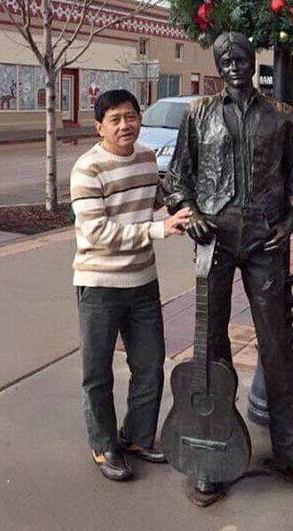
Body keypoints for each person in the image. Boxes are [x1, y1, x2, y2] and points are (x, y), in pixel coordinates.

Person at [166, 31, 293, 505]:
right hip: (214, 240)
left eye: (241, 57)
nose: (235, 65)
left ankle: (290, 447)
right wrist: (190, 210)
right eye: (226, 59)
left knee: (278, 343)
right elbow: (177, 178)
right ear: (218, 66)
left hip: (265, 242)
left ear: (252, 59)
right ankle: (210, 449)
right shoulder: (197, 115)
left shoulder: (281, 117)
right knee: (211, 344)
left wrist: (290, 220)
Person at [70, 89, 192, 482]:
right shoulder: (87, 168)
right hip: (100, 284)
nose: (125, 125)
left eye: (131, 116)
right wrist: (158, 229)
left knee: (149, 363)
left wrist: (182, 209)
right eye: (115, 119)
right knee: (98, 372)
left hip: (142, 282)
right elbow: (96, 232)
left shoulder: (145, 158)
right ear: (99, 127)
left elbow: (157, 199)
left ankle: (138, 436)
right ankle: (105, 445)